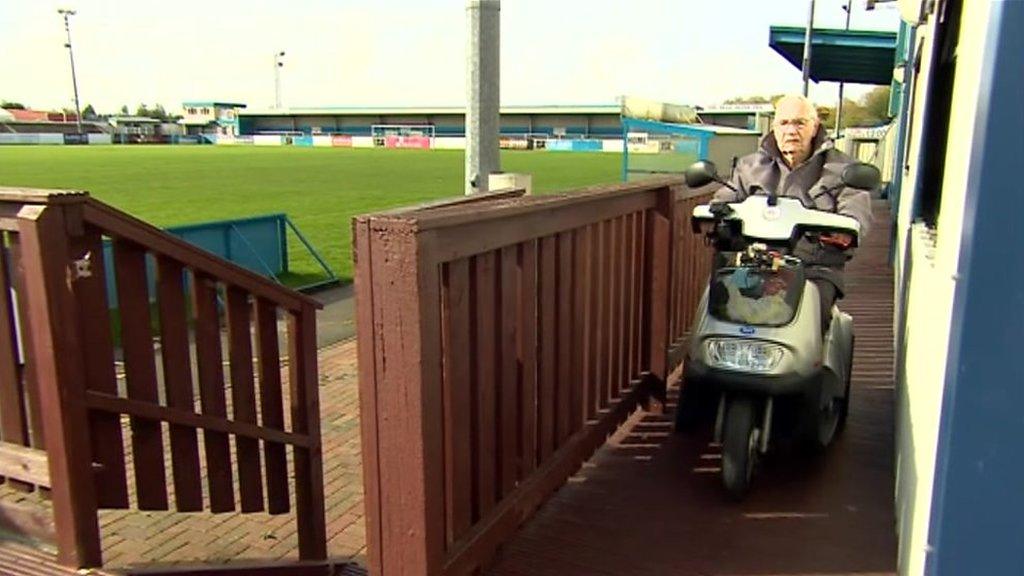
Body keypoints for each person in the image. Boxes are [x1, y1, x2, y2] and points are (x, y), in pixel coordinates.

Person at [711, 94, 873, 336]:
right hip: (754, 262)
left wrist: (845, 228)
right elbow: (726, 197)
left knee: (810, 321)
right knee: (718, 307)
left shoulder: (842, 169)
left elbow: (856, 208)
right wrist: (716, 211)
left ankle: (813, 371)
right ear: (774, 127)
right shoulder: (750, 167)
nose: (791, 131)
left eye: (799, 123)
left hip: (814, 267)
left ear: (815, 126)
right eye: (784, 123)